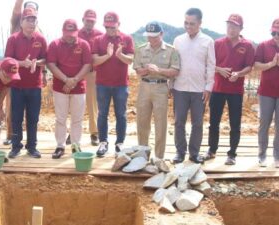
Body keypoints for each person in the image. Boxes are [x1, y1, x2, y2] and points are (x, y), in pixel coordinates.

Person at [204, 14, 255, 165]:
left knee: (235, 123)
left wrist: (239, 74)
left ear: (241, 28)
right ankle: (212, 150)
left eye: (234, 26)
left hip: (236, 91)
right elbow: (209, 63)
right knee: (214, 121)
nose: (231, 29)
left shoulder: (247, 45)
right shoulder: (217, 43)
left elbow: (249, 66)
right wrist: (219, 69)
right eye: (229, 25)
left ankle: (232, 153)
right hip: (218, 88)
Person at [133, 21, 180, 171]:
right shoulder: (140, 50)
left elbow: (175, 71)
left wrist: (158, 70)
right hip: (144, 87)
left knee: (161, 123)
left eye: (154, 36)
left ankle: (159, 157)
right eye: (149, 36)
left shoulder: (171, 50)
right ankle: (142, 155)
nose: (151, 39)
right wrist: (146, 70)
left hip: (161, 87)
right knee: (142, 121)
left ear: (161, 34)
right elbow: (137, 69)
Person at [172, 8, 215, 164]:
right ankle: (179, 152)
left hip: (199, 90)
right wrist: (171, 85)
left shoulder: (208, 41)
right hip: (180, 88)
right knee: (179, 122)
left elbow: (211, 65)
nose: (188, 26)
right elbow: (174, 63)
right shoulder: (178, 40)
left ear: (200, 23)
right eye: (186, 23)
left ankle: (194, 153)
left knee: (197, 123)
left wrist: (208, 87)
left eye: (192, 23)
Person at [4, 8, 47, 159]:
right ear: (21, 22)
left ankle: (32, 146)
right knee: (16, 117)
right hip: (17, 85)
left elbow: (45, 59)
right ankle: (16, 146)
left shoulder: (40, 39)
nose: (31, 22)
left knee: (33, 118)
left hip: (35, 85)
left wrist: (37, 63)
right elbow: (7, 61)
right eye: (28, 19)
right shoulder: (13, 39)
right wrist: (22, 63)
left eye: (34, 20)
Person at [47, 19, 91, 159]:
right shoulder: (54, 44)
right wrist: (66, 80)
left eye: (72, 34)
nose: (70, 36)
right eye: (67, 33)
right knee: (61, 118)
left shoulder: (84, 44)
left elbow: (87, 65)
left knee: (77, 119)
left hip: (79, 87)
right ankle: (60, 146)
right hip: (61, 87)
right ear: (62, 32)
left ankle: (76, 145)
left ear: (77, 32)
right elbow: (51, 65)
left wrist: (74, 80)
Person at [92, 12, 134, 157]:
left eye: (112, 26)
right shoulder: (98, 39)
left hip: (121, 84)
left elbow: (130, 60)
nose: (109, 29)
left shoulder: (127, 38)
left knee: (121, 114)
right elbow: (94, 61)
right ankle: (103, 142)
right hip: (102, 84)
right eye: (107, 26)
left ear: (118, 24)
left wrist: (119, 55)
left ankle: (119, 143)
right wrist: (108, 56)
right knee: (102, 114)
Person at [254, 18, 279, 167]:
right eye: (274, 32)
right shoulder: (263, 45)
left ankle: (277, 156)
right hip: (266, 91)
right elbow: (256, 65)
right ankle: (262, 155)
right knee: (264, 123)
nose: (276, 35)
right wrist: (271, 64)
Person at [78, 9, 103, 146]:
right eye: (88, 20)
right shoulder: (76, 33)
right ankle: (74, 132)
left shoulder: (100, 35)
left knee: (92, 104)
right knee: (76, 103)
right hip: (77, 73)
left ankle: (94, 133)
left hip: (93, 73)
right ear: (83, 20)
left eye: (92, 21)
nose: (89, 23)